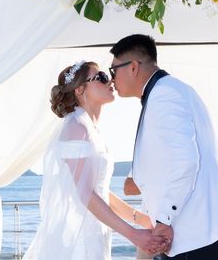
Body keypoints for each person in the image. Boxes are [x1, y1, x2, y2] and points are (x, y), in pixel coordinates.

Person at [110, 35, 218, 259]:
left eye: (113, 70)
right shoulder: (169, 90)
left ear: (133, 67)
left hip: (193, 228)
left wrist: (164, 219)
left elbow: (185, 162)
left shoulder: (164, 95)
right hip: (194, 227)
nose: (111, 80)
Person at [23, 60, 167, 260]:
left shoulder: (89, 128)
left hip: (95, 233)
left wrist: (140, 219)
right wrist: (134, 235)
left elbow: (98, 190)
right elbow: (85, 194)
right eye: (100, 77)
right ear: (80, 90)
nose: (109, 81)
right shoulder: (76, 128)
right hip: (78, 238)